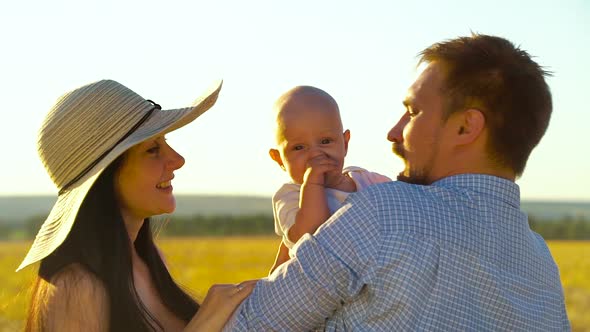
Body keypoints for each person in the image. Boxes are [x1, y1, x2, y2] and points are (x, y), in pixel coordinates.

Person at [226, 34, 570, 331]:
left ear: (466, 128)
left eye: (412, 112)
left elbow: (248, 326)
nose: (393, 132)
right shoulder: (543, 265)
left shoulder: (383, 212)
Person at [18, 79, 257, 332]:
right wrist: (205, 322)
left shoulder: (150, 262)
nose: (178, 160)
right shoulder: (76, 287)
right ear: (105, 176)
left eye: (165, 141)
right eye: (153, 149)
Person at [267, 86, 390, 273]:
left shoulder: (369, 181)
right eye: (299, 147)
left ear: (345, 143)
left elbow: (404, 207)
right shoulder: (291, 196)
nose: (315, 154)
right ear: (279, 159)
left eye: (325, 141)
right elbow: (308, 239)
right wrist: (313, 184)